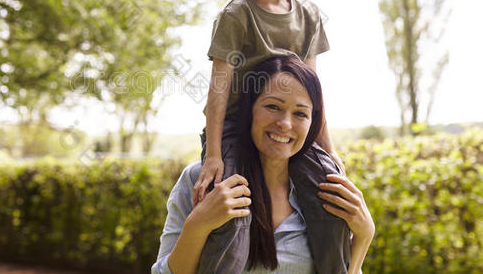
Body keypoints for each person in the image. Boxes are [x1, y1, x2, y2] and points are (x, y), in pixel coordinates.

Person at [193, 0, 347, 273]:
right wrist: (213, 155)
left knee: (334, 202)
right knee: (233, 215)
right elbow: (217, 95)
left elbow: (314, 96)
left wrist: (329, 153)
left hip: (289, 126)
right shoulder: (236, 16)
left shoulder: (309, 15)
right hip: (235, 128)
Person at [152, 55, 375, 273]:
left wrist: (364, 236)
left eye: (300, 113)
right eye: (273, 107)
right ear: (250, 110)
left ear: (312, 124)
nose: (285, 124)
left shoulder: (324, 194)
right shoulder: (203, 181)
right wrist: (198, 225)